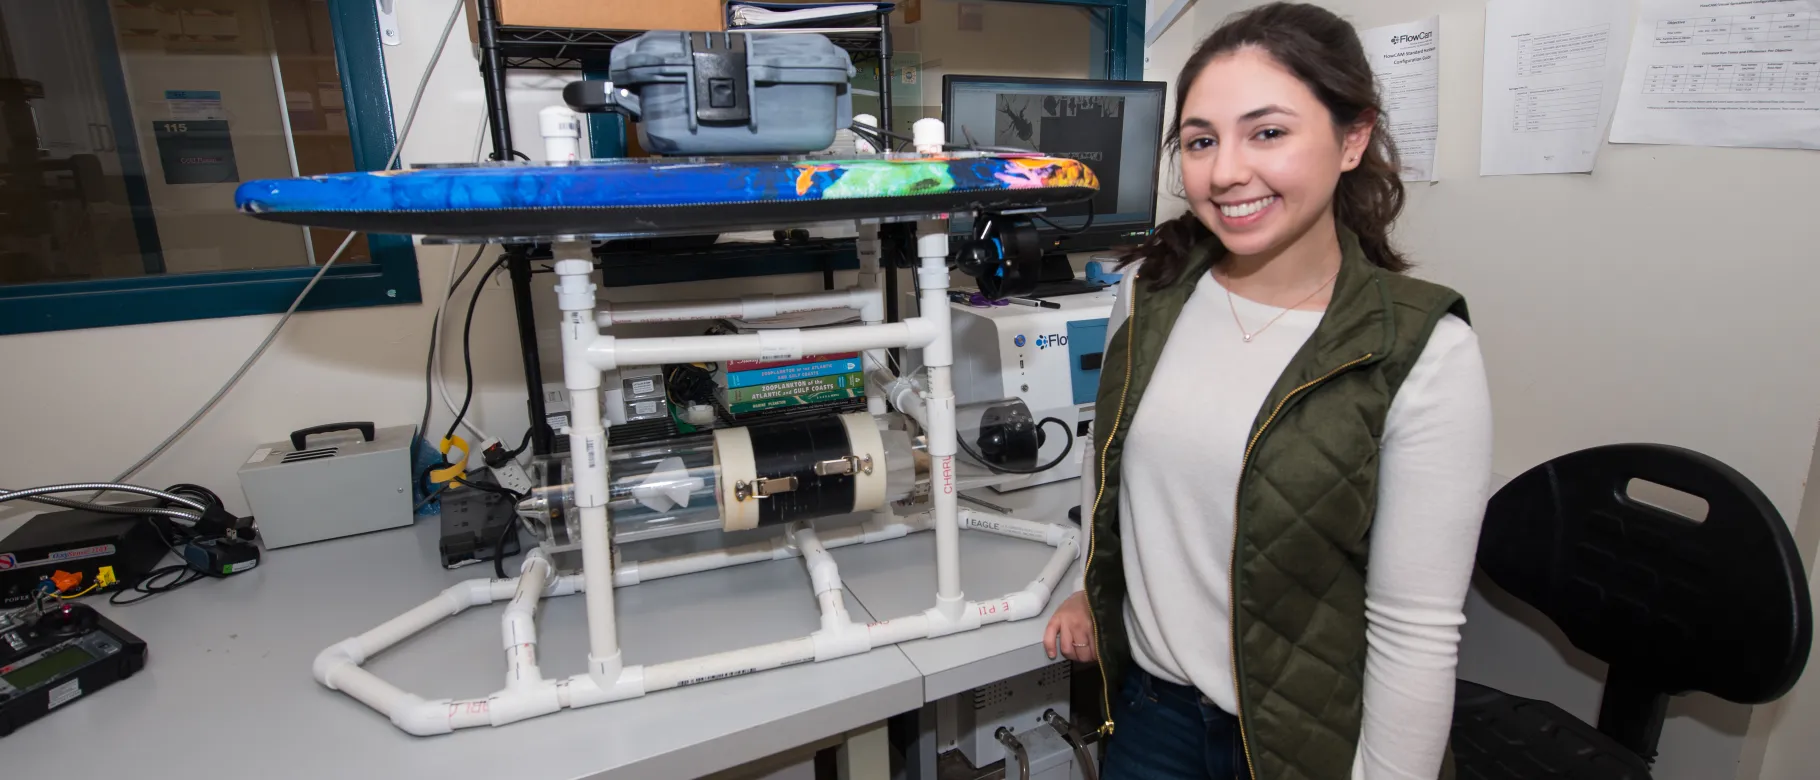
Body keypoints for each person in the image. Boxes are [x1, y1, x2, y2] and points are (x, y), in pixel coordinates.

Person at [1041, 4, 1493, 779]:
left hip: (1304, 742)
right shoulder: (1148, 293)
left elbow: (1414, 632)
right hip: (1153, 718)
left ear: (1352, 139)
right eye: (1201, 140)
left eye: (1269, 132)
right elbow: (1107, 462)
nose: (1225, 172)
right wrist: (1091, 582)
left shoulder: (1421, 349)